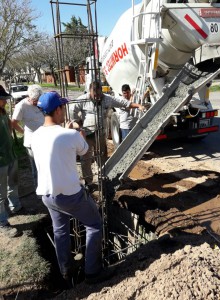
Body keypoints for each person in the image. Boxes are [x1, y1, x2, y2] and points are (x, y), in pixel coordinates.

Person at [31, 91, 114, 287]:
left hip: (47, 195)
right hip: (70, 195)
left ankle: (66, 270)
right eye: (63, 107)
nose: (64, 110)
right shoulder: (69, 134)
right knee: (94, 224)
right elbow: (85, 150)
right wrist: (79, 134)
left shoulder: (35, 136)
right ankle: (92, 272)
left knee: (60, 231)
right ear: (58, 109)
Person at [70, 81, 145, 187]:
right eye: (94, 95)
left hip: (100, 134)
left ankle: (104, 178)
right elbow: (72, 109)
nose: (97, 97)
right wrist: (77, 122)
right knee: (85, 159)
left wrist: (138, 105)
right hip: (86, 135)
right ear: (90, 92)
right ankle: (89, 182)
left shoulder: (107, 98)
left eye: (99, 95)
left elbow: (123, 103)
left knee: (102, 157)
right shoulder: (83, 99)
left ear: (101, 92)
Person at [0, 85, 22, 238]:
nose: (5, 102)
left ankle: (15, 207)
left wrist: (23, 131)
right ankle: (2, 223)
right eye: (2, 100)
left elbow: (9, 124)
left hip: (10, 155)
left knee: (12, 183)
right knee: (0, 193)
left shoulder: (2, 112)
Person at [12, 84, 44, 188]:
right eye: (35, 100)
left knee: (45, 165)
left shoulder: (41, 103)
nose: (37, 102)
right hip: (32, 142)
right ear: (29, 97)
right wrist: (23, 132)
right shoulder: (21, 106)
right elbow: (13, 123)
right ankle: (38, 190)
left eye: (38, 100)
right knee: (36, 167)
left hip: (44, 139)